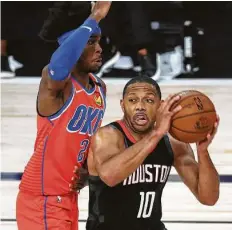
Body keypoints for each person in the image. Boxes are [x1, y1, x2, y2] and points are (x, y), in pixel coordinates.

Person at [16, 2, 111, 230]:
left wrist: (88, 171)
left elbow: (86, 140)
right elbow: (59, 66)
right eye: (91, 42)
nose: (99, 49)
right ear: (73, 45)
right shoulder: (57, 83)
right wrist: (95, 16)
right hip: (43, 197)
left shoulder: (99, 88)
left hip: (68, 197)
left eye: (98, 42)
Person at [86, 76, 220, 230]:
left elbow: (209, 198)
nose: (140, 106)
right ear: (123, 105)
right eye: (132, 100)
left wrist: (203, 151)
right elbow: (110, 176)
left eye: (149, 100)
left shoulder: (174, 142)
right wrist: (156, 134)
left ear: (160, 106)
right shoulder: (108, 136)